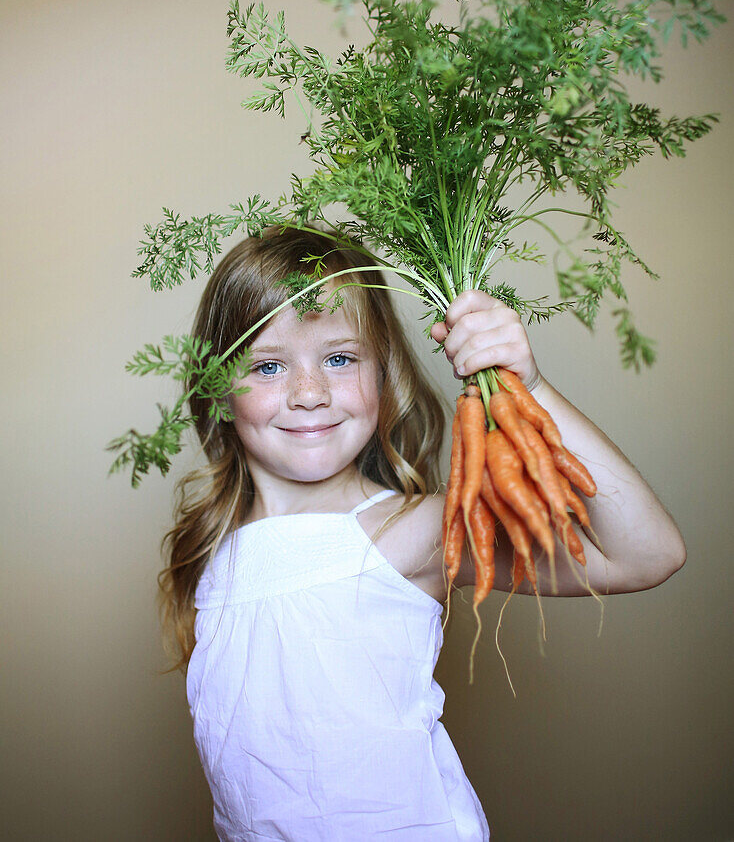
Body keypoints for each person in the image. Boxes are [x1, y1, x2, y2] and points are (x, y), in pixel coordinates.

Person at [160, 225, 686, 842]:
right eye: (269, 365)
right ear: (217, 388)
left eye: (339, 358)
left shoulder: (408, 531)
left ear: (385, 373)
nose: (310, 393)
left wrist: (531, 388)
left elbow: (647, 555)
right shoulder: (211, 548)